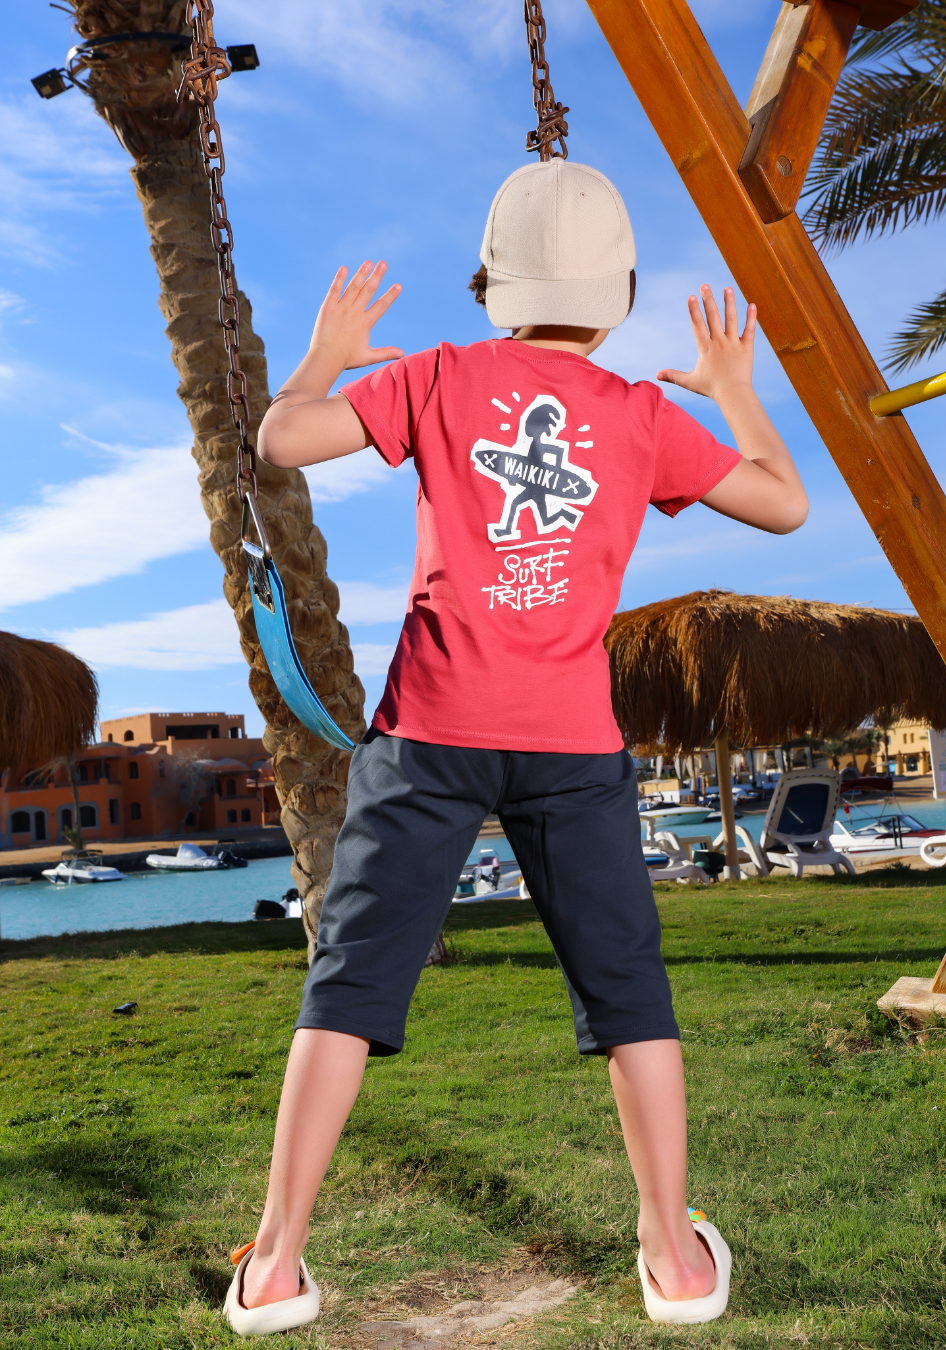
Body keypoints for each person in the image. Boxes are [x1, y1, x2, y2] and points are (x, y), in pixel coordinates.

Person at [223, 160, 807, 1337]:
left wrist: (327, 354)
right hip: (571, 747)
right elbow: (783, 502)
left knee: (346, 991)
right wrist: (736, 392)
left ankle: (276, 1267)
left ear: (491, 284)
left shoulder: (440, 375)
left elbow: (281, 438)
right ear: (619, 294)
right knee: (629, 997)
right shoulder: (643, 415)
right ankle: (673, 1257)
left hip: (428, 737)